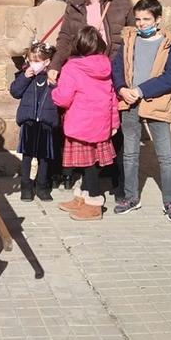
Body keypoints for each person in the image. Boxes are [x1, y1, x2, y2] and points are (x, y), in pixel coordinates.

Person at [49, 0, 133, 192]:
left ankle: (118, 181)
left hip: (115, 69)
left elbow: (131, 37)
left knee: (116, 126)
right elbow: (65, 38)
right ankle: (91, 181)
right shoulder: (75, 5)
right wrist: (55, 65)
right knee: (91, 125)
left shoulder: (122, 3)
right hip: (87, 71)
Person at [111, 0, 171, 220]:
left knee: (165, 156)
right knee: (130, 153)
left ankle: (170, 201)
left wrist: (141, 90)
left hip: (156, 103)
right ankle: (131, 197)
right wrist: (122, 88)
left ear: (158, 19)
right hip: (129, 101)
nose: (141, 23)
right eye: (138, 19)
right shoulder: (129, 40)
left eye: (147, 19)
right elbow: (117, 67)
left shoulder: (169, 46)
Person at [51, 26, 120, 221]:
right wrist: (114, 122)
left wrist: (54, 91)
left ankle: (94, 203)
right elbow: (112, 96)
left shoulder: (71, 67)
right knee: (90, 164)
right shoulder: (105, 65)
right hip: (100, 124)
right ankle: (81, 196)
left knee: (88, 166)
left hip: (80, 124)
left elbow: (63, 98)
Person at [9, 42, 61, 202]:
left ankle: (42, 185)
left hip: (46, 123)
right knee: (27, 156)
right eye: (31, 61)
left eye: (37, 61)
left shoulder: (52, 78)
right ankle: (26, 186)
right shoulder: (24, 76)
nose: (34, 64)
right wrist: (25, 77)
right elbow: (15, 92)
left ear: (46, 62)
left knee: (44, 157)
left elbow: (61, 97)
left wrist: (55, 85)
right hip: (29, 122)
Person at [7, 0, 71, 56]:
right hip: (69, 62)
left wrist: (9, 48)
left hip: (45, 62)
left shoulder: (35, 12)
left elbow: (20, 47)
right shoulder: (74, 11)